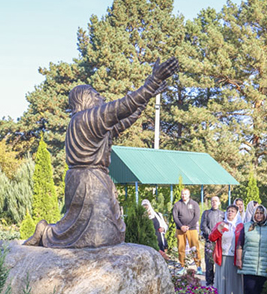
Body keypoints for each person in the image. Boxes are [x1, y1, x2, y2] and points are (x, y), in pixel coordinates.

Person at [24, 58, 179, 248]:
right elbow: (123, 106)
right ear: (85, 98)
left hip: (96, 178)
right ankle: (47, 232)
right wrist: (151, 82)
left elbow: (124, 120)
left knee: (112, 234)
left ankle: (50, 232)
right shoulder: (85, 119)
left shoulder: (94, 125)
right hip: (86, 180)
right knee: (99, 236)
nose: (102, 99)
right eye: (97, 95)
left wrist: (147, 96)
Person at [209, 205, 244, 294]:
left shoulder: (240, 226)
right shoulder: (220, 224)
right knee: (222, 280)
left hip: (235, 257)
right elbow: (211, 238)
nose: (230, 213)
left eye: (233, 211)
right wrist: (219, 230)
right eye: (228, 211)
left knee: (235, 280)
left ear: (237, 213)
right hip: (222, 256)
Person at [237, 204, 267, 294]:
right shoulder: (246, 226)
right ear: (253, 214)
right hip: (248, 262)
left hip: (264, 262)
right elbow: (240, 244)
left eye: (261, 213)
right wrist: (239, 259)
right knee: (250, 287)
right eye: (257, 213)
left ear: (265, 215)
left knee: (261, 286)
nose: (259, 215)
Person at [173, 188, 202, 274]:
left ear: (189, 195)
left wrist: (188, 226)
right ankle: (182, 267)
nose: (183, 195)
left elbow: (196, 216)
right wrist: (181, 226)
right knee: (181, 248)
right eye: (182, 194)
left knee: (194, 248)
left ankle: (198, 267)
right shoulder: (177, 204)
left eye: (185, 194)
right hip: (180, 229)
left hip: (192, 229)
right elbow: (175, 217)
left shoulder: (194, 204)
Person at [200, 196, 224, 286]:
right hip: (209, 241)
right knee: (209, 263)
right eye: (212, 201)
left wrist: (218, 235)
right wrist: (211, 235)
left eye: (216, 201)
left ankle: (218, 282)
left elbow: (224, 226)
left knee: (219, 262)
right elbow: (203, 226)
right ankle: (209, 282)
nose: (214, 202)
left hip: (219, 242)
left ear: (219, 203)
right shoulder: (206, 213)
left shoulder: (223, 214)